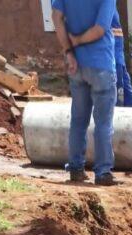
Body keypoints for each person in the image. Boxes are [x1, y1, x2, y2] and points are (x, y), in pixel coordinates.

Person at [51, 0, 118, 186]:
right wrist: (78, 40)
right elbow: (99, 29)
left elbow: (56, 17)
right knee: (103, 123)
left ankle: (75, 169)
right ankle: (103, 172)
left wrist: (69, 51)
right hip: (101, 64)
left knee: (78, 120)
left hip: (77, 65)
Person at [111, 10, 132, 107]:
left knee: (124, 97)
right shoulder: (106, 5)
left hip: (117, 60)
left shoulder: (109, 6)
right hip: (115, 60)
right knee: (120, 97)